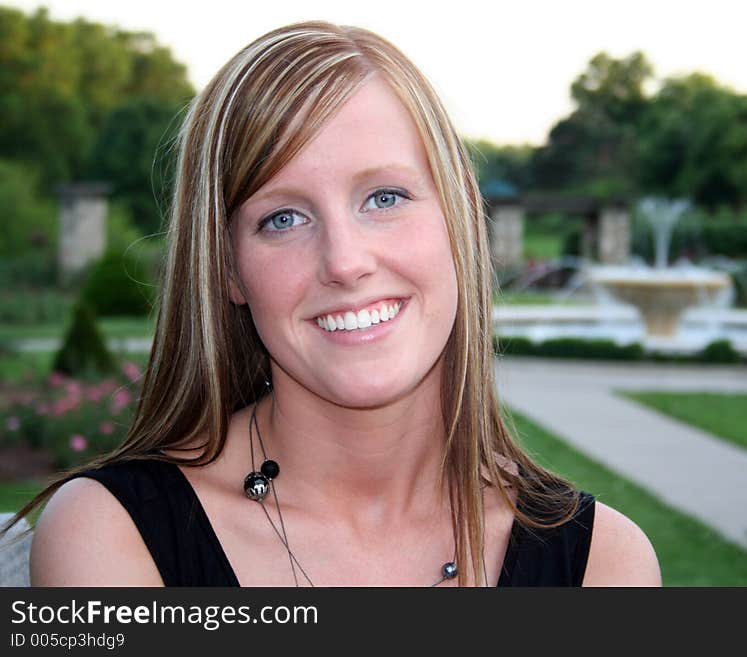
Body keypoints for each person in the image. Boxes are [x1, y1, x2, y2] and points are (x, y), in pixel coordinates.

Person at [16, 21, 660, 587]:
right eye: (284, 218)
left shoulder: (605, 563)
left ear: (460, 217)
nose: (346, 261)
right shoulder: (113, 535)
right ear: (228, 270)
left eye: (384, 198)